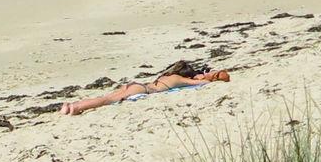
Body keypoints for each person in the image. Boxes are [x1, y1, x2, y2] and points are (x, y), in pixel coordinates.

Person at [58, 59, 231, 116]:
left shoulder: (167, 76)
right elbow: (201, 84)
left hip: (138, 85)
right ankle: (75, 108)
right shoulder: (179, 79)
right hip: (143, 90)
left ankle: (72, 104)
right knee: (107, 100)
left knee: (107, 96)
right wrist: (210, 77)